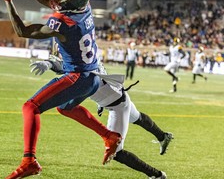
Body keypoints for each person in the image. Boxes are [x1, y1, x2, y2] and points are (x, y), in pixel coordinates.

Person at [0, 0, 122, 179]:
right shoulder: (85, 9)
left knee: (30, 107)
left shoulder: (63, 23)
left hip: (78, 77)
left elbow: (23, 31)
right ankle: (109, 136)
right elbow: (52, 2)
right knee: (65, 108)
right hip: (93, 76)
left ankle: (29, 160)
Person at [31, 56, 174, 179]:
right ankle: (163, 136)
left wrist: (51, 65)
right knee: (137, 118)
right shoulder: (87, 59)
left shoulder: (82, 69)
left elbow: (76, 91)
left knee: (117, 152)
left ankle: (157, 175)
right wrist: (50, 63)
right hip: (119, 96)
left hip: (117, 106)